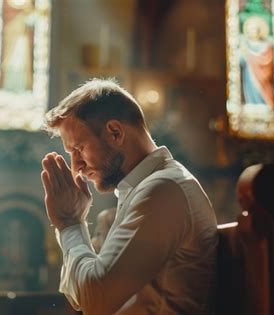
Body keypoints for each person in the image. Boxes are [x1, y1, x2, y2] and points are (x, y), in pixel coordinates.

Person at [40, 79, 218, 314]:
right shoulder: (148, 189)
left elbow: (96, 300)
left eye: (79, 149)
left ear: (115, 132)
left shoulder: (164, 189)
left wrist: (69, 223)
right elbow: (84, 297)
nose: (76, 168)